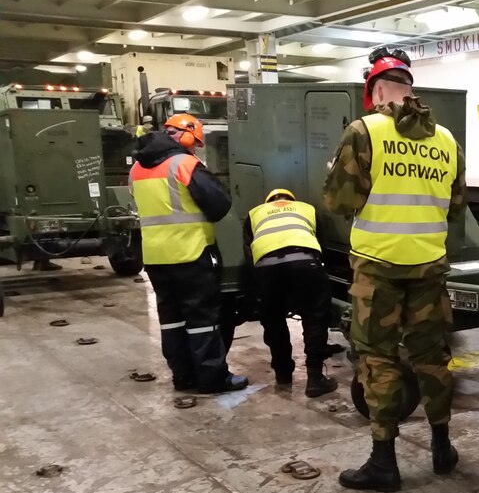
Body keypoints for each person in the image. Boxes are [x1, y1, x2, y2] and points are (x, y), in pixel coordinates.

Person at [324, 47, 466, 493]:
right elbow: (457, 207)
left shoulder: (364, 132)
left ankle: (384, 461)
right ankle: (443, 448)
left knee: (379, 358)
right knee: (433, 357)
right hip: (428, 266)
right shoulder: (446, 140)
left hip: (378, 268)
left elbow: (338, 202)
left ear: (377, 91)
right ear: (410, 89)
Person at [129, 113, 248, 394]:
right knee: (202, 321)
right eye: (193, 142)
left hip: (156, 258)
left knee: (171, 320)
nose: (194, 148)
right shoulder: (184, 164)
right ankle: (212, 379)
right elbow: (219, 204)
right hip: (191, 254)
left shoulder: (136, 169)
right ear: (184, 136)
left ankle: (183, 377)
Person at [243, 188, 337, 398]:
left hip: (267, 268)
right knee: (315, 318)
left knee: (274, 320)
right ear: (291, 200)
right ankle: (314, 379)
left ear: (268, 202)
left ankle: (283, 374)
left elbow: (249, 253)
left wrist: (260, 284)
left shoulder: (254, 213)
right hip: (305, 262)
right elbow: (320, 244)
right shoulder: (308, 209)